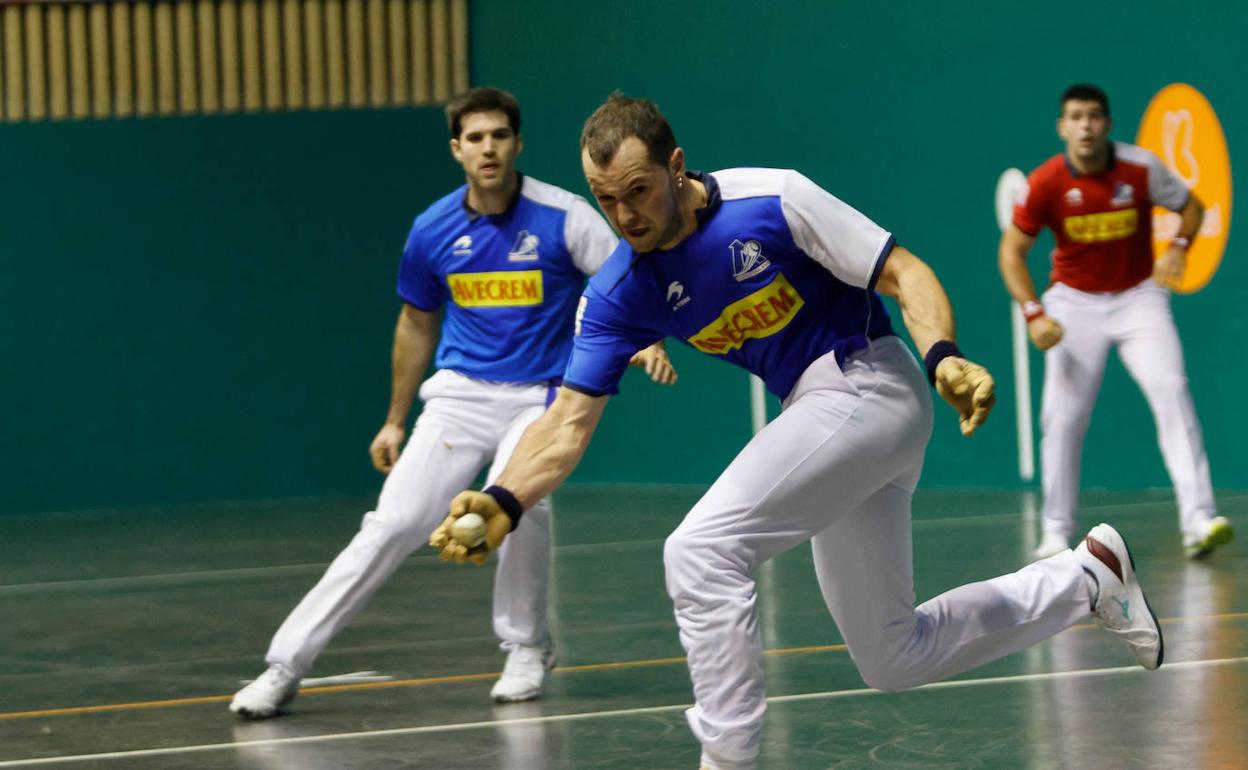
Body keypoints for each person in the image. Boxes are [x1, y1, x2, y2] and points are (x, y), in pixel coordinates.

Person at [431, 93, 1165, 770]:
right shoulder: (621, 289)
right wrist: (502, 501)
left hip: (867, 382)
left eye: (638, 192)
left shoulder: (771, 198)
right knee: (892, 655)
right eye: (607, 201)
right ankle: (1084, 578)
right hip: (823, 418)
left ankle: (729, 757)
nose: (625, 217)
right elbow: (565, 423)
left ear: (675, 167)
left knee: (700, 550)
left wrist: (943, 355)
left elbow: (903, 272)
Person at [230, 87, 676, 719]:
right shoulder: (433, 228)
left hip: (541, 393)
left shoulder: (564, 214)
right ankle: (285, 664)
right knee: (392, 524)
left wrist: (648, 338)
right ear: (457, 150)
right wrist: (393, 419)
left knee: (519, 499)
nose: (488, 147)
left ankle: (526, 646)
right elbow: (416, 323)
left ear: (517, 143)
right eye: (475, 138)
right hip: (459, 394)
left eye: (499, 135)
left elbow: (626, 275)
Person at [999, 83, 1233, 560]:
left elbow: (1191, 207)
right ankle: (1054, 531)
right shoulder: (1045, 183)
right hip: (1073, 303)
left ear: (1107, 124)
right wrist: (1033, 313)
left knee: (1172, 390)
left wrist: (1180, 248)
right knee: (1062, 416)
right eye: (1075, 117)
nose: (1085, 126)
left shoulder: (1140, 168)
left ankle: (1200, 520)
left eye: (1094, 117)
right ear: (1062, 127)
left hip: (1138, 297)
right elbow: (1012, 253)